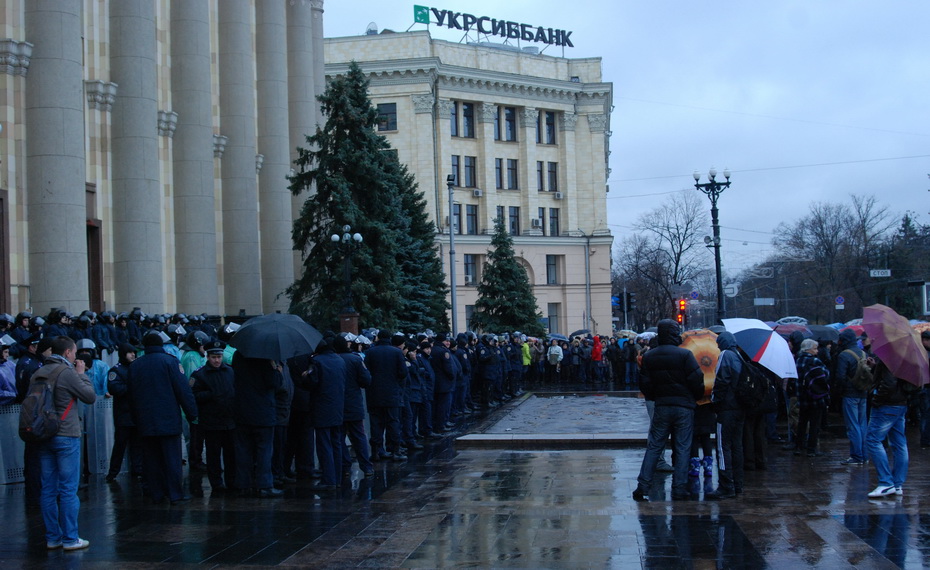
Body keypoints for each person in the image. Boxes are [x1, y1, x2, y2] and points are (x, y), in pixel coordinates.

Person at [34, 336, 96, 551]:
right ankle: (70, 538)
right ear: (68, 353)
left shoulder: (38, 372)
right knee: (68, 489)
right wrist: (82, 375)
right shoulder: (67, 372)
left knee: (48, 489)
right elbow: (89, 396)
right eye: (74, 352)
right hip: (66, 434)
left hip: (43, 435)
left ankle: (53, 537)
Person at [632, 319, 704, 502]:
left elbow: (645, 385)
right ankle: (679, 488)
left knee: (654, 446)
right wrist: (692, 397)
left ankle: (643, 485)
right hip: (683, 407)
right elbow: (697, 381)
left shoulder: (650, 356)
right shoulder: (685, 355)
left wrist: (657, 396)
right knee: (682, 447)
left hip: (662, 405)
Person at [128, 332, 198, 505]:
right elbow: (183, 390)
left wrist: (135, 418)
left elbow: (131, 395)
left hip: (145, 420)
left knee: (152, 459)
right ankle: (175, 493)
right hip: (168, 419)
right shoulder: (170, 361)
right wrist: (192, 413)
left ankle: (157, 493)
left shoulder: (136, 365)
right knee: (172, 458)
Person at [232, 350, 284, 498]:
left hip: (242, 410)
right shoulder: (266, 357)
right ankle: (264, 485)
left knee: (243, 450)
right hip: (263, 412)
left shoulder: (239, 355)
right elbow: (274, 383)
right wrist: (277, 370)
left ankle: (243, 484)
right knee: (264, 450)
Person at [190, 340, 237, 495]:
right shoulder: (199, 374)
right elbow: (193, 395)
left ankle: (232, 481)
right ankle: (217, 483)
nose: (217, 360)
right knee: (213, 455)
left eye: (219, 356)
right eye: (213, 357)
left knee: (231, 455)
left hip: (229, 421)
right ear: (208, 357)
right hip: (211, 422)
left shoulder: (230, 371)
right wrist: (211, 395)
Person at [866, 360, 918, 498]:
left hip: (887, 405)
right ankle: (897, 484)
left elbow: (889, 383)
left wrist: (877, 399)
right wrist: (876, 367)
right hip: (900, 403)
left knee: (873, 440)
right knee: (899, 443)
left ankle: (886, 482)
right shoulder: (905, 356)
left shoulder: (890, 356)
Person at [303, 334, 346, 490]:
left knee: (324, 444)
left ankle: (328, 479)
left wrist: (306, 376)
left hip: (321, 408)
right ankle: (338, 477)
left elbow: (313, 383)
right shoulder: (340, 360)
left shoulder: (317, 362)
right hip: (338, 409)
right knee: (337, 443)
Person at [707, 331, 746, 500]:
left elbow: (722, 381)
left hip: (726, 408)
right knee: (737, 446)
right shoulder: (739, 356)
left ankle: (725, 485)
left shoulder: (725, 355)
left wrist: (715, 401)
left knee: (723, 447)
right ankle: (738, 484)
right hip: (740, 408)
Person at [334, 333, 373, 477]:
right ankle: (366, 466)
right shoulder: (355, 360)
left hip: (338, 405)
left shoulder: (335, 360)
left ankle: (345, 466)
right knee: (359, 436)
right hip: (354, 403)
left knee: (339, 437)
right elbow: (366, 380)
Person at [366, 330, 408, 461]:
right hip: (392, 393)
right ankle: (396, 451)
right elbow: (403, 372)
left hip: (374, 394)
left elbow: (366, 372)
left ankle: (376, 452)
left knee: (376, 423)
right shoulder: (396, 352)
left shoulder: (370, 352)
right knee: (393, 422)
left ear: (378, 337)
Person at [105, 343, 143, 483]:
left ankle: (137, 470)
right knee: (120, 445)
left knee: (137, 445)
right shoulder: (116, 370)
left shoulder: (137, 368)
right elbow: (115, 388)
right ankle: (113, 472)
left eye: (134, 352)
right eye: (129, 352)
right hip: (124, 415)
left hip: (136, 414)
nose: (133, 355)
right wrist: (133, 387)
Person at [836, 329, 870, 464]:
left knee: (853, 425)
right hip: (863, 392)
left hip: (850, 394)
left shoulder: (844, 355)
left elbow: (840, 377)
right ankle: (864, 455)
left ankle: (856, 456)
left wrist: (840, 391)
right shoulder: (863, 353)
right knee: (862, 424)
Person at [792, 339, 830, 457]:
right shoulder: (815, 361)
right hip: (815, 396)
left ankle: (798, 447)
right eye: (815, 348)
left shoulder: (798, 360)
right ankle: (811, 449)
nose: (817, 351)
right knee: (814, 423)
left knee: (802, 422)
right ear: (808, 349)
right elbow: (826, 374)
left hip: (802, 397)